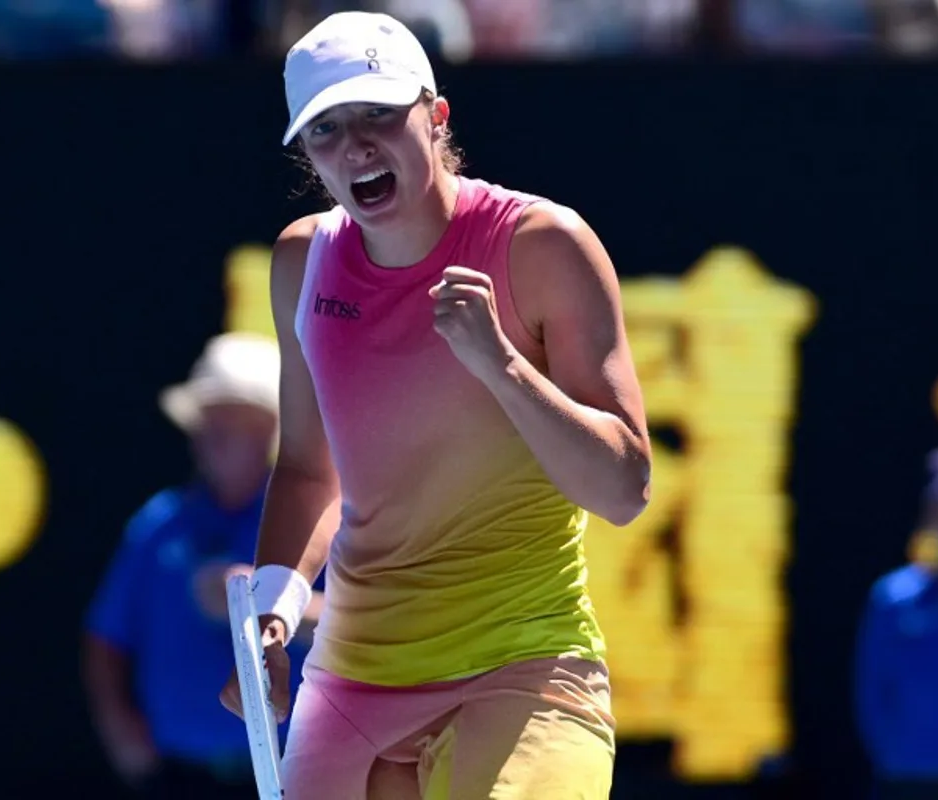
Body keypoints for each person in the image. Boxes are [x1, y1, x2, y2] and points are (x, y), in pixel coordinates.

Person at [219, 12, 652, 800]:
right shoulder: (301, 263)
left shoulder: (546, 245)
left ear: (436, 114)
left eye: (379, 115)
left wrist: (502, 364)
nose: (356, 147)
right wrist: (276, 612)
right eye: (326, 130)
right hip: (354, 677)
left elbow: (624, 490)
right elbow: (311, 468)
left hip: (526, 664)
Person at [83, 332, 323, 800]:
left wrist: (267, 600)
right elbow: (104, 639)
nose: (210, 437)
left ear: (271, 430)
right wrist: (118, 725)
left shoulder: (311, 522)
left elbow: (359, 626)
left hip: (296, 780)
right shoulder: (158, 524)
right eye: (204, 421)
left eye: (230, 421)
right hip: (177, 780)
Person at [854, 445, 938, 800]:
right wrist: (898, 759)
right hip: (908, 781)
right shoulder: (893, 597)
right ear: (931, 517)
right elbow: (871, 696)